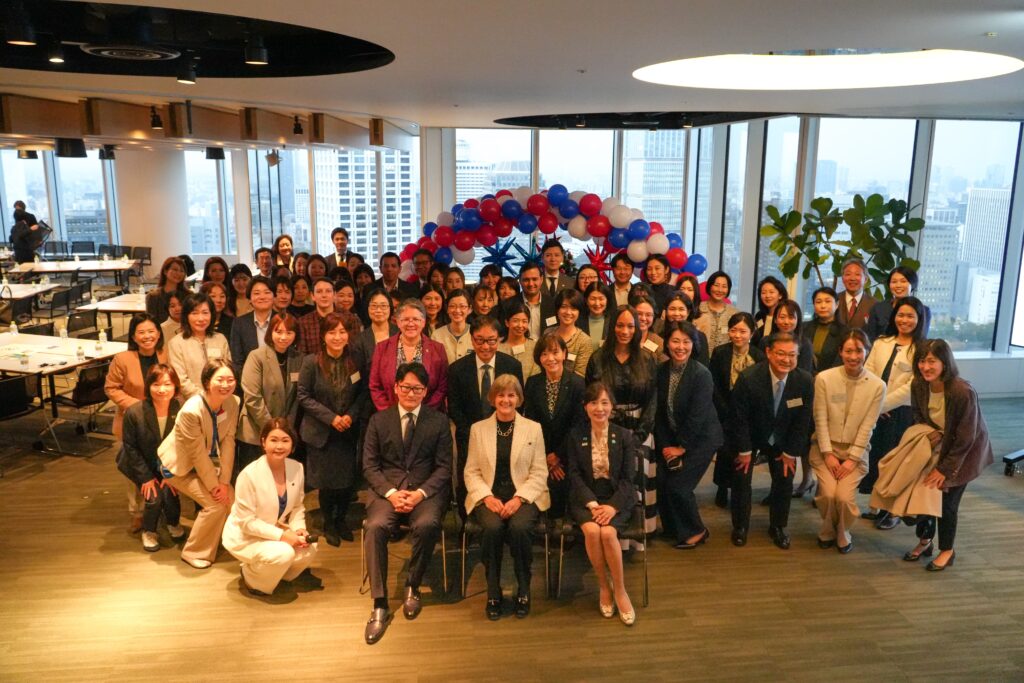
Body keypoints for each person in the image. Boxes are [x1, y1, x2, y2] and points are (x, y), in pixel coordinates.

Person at [362, 362, 452, 644]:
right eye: (406, 387)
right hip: (387, 492)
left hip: (424, 492)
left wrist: (420, 493)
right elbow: (369, 466)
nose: (411, 393)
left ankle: (413, 584)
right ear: (396, 388)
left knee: (427, 524)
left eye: (417, 388)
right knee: (375, 527)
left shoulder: (438, 421)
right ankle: (379, 603)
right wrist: (391, 493)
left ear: (425, 391)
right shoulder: (378, 420)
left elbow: (444, 467)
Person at [900, 339, 993, 571]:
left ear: (945, 362)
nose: (925, 367)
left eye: (932, 361)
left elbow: (966, 437)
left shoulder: (962, 391)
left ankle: (947, 551)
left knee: (946, 502)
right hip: (935, 447)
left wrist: (944, 470)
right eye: (922, 361)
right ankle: (925, 541)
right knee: (920, 497)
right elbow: (918, 414)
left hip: (964, 454)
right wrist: (930, 432)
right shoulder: (919, 384)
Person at [464, 374, 549, 620]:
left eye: (511, 395)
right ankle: (493, 589)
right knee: (491, 529)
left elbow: (539, 471)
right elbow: (471, 471)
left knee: (519, 528)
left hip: (523, 495)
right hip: (489, 495)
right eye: (500, 395)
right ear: (492, 398)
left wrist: (519, 498)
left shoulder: (533, 428)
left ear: (519, 399)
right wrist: (486, 497)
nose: (506, 400)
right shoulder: (478, 429)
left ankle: (524, 587)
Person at [730, 332, 814, 550]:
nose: (786, 359)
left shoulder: (804, 381)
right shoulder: (749, 378)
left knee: (785, 477)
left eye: (792, 355)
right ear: (768, 352)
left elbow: (802, 421)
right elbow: (739, 418)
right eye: (781, 354)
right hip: (751, 436)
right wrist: (745, 451)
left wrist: (791, 452)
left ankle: (778, 526)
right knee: (741, 477)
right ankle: (740, 526)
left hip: (783, 438)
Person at [157, 359, 240, 569]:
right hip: (178, 467)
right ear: (206, 382)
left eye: (230, 379)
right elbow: (197, 455)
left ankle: (226, 541)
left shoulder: (232, 402)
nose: (226, 385)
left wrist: (224, 482)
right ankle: (193, 552)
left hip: (206, 463)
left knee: (231, 498)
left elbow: (228, 441)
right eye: (219, 379)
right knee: (215, 505)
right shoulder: (191, 411)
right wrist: (215, 487)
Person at [566, 382, 638, 625]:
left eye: (605, 402)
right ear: (585, 407)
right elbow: (574, 474)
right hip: (585, 497)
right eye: (594, 402)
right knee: (592, 530)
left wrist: (612, 506)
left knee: (608, 533)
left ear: (612, 406)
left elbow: (628, 479)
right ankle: (604, 586)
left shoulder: (624, 436)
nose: (599, 408)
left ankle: (620, 590)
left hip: (617, 497)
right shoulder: (576, 435)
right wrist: (592, 503)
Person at [223, 418, 320, 596]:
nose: (279, 446)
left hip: (274, 527)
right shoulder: (249, 475)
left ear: (292, 445)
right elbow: (247, 523)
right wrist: (282, 536)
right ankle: (252, 579)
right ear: (263, 442)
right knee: (284, 553)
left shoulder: (297, 468)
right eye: (273, 440)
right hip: (246, 534)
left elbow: (297, 506)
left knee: (309, 548)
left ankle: (277, 575)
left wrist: (299, 529)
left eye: (285, 440)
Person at [809, 330, 886, 554]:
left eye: (859, 351)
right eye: (849, 351)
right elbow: (820, 418)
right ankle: (828, 528)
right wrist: (828, 453)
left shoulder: (878, 386)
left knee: (843, 497)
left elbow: (868, 425)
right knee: (828, 494)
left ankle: (842, 530)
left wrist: (853, 458)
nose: (853, 356)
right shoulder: (824, 378)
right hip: (824, 448)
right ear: (840, 352)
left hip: (856, 451)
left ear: (867, 351)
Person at [585, 306, 658, 538]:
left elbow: (652, 401)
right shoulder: (598, 358)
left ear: (637, 329)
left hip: (640, 428)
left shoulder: (647, 358)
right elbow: (590, 397)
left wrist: (639, 436)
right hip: (605, 426)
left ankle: (635, 536)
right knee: (610, 478)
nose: (625, 331)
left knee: (635, 478)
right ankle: (609, 531)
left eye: (630, 326)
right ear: (612, 326)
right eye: (619, 325)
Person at [299, 312, 367, 546]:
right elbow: (304, 396)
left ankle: (341, 520)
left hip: (348, 431)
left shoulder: (356, 360)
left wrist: (350, 416)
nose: (337, 337)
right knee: (327, 483)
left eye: (342, 332)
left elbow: (363, 393)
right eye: (332, 332)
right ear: (323, 335)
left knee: (347, 482)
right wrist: (331, 418)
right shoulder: (311, 362)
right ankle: (329, 522)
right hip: (322, 432)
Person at [861, 296, 928, 530]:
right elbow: (867, 372)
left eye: (910, 316)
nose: (904, 320)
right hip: (877, 411)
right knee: (877, 458)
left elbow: (911, 386)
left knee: (897, 463)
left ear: (919, 319)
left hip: (901, 413)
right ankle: (878, 506)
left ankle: (893, 511)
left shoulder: (922, 349)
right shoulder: (882, 342)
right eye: (901, 315)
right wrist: (874, 405)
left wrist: (881, 406)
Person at [654, 321, 723, 549]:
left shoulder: (701, 374)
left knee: (679, 486)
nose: (680, 347)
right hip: (673, 438)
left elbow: (697, 416)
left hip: (702, 439)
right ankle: (674, 529)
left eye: (686, 341)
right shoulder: (661, 371)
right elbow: (660, 413)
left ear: (694, 344)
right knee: (662, 481)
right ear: (667, 343)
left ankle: (697, 530)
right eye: (675, 341)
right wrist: (665, 446)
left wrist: (681, 447)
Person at [105, 313, 170, 533]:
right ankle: (137, 512)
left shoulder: (165, 355)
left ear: (159, 333)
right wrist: (137, 407)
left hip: (162, 422)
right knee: (136, 469)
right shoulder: (122, 359)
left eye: (151, 331)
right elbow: (111, 388)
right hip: (133, 422)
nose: (147, 336)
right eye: (141, 332)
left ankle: (160, 506)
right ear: (133, 336)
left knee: (160, 466)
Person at [448, 316, 524, 494]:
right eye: (479, 340)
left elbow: (518, 402)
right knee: (469, 487)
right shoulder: (457, 369)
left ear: (499, 339)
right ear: (471, 339)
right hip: (469, 436)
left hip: (505, 435)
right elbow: (454, 407)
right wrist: (475, 433)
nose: (485, 346)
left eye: (491, 341)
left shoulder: (512, 365)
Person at [116, 364, 185, 551]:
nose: (162, 389)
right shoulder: (134, 412)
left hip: (168, 464)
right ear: (148, 386)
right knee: (154, 497)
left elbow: (183, 445)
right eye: (156, 384)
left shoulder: (181, 409)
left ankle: (172, 523)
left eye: (167, 384)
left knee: (170, 493)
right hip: (140, 464)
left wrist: (170, 474)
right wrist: (146, 478)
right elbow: (130, 448)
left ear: (175, 386)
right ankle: (149, 531)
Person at [523, 333, 586, 517]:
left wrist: (557, 455)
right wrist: (546, 457)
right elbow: (531, 424)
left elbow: (578, 425)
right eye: (544, 354)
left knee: (562, 485)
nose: (550, 358)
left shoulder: (577, 384)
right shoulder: (533, 384)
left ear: (564, 354)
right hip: (540, 455)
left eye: (555, 352)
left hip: (568, 454)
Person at [709, 312, 765, 509]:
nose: (737, 335)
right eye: (733, 330)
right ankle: (722, 487)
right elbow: (713, 384)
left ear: (752, 333)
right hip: (724, 411)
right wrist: (725, 410)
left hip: (749, 416)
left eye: (743, 331)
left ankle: (739, 489)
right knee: (725, 453)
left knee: (744, 452)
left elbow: (760, 389)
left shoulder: (759, 356)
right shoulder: (720, 352)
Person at [238, 313, 303, 477]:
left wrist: (285, 428)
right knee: (256, 481)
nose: (283, 337)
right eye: (278, 331)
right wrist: (271, 429)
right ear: (270, 332)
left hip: (283, 433)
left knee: (279, 480)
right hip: (256, 431)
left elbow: (297, 397)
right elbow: (252, 397)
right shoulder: (257, 356)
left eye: (289, 332)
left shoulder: (298, 358)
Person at [369, 299, 448, 411]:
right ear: (398, 322)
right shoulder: (382, 348)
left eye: (416, 319)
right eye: (405, 319)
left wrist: (423, 414)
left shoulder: (438, 349)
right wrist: (391, 414)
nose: (411, 324)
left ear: (423, 322)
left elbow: (442, 387)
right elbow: (375, 386)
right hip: (391, 415)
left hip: (427, 415)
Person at [167, 292, 232, 401]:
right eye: (195, 313)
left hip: (221, 400)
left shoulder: (220, 339)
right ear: (186, 316)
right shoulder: (176, 343)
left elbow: (228, 370)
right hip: (191, 403)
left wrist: (219, 394)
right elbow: (181, 379)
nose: (201, 318)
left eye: (205, 313)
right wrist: (205, 398)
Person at [864, 266, 932, 341]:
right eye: (894, 282)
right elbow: (871, 339)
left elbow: (921, 339)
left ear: (912, 284)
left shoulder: (924, 310)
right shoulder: (878, 308)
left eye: (903, 281)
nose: (898, 285)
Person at [229, 276, 275, 378]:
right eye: (257, 293)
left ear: (274, 296)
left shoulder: (283, 321)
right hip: (249, 380)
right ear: (249, 298)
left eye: (267, 292)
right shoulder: (239, 323)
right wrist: (248, 382)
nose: (262, 297)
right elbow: (237, 360)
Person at [545, 288, 592, 377]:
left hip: (572, 385)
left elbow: (580, 375)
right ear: (557, 309)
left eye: (573, 308)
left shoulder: (584, 341)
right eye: (564, 307)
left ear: (579, 312)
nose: (568, 312)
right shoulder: (548, 333)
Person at [802, 286, 847, 373]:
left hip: (830, 377)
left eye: (827, 301)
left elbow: (840, 361)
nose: (823, 306)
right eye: (818, 302)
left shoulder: (844, 332)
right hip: (805, 376)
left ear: (837, 304)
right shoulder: (803, 327)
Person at [695, 270, 738, 354]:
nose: (720, 290)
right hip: (700, 357)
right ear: (709, 286)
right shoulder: (698, 309)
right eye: (716, 285)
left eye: (724, 286)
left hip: (724, 358)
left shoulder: (734, 313)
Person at [661, 291, 710, 365]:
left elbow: (703, 365)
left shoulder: (699, 337)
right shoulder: (659, 334)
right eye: (672, 309)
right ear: (666, 311)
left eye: (681, 309)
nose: (677, 313)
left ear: (688, 312)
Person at [498, 299, 539, 379]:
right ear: (507, 322)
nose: (520, 325)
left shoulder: (534, 347)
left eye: (524, 321)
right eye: (515, 321)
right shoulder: (497, 346)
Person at [431, 289, 473, 364]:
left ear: (469, 309)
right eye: (452, 306)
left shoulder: (475, 333)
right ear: (447, 309)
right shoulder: (436, 335)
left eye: (462, 306)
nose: (457, 310)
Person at [296, 277, 337, 355]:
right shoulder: (303, 322)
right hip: (313, 363)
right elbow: (302, 356)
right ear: (312, 296)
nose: (324, 295)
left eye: (328, 291)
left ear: (334, 295)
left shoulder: (349, 319)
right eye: (319, 291)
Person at [836, 257, 878, 330]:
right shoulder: (834, 300)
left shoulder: (875, 304)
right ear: (842, 278)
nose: (852, 278)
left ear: (865, 279)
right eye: (848, 274)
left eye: (857, 274)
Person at [146, 257, 188, 325]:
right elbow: (151, 322)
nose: (178, 273)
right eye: (175, 269)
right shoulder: (153, 296)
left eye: (182, 271)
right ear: (165, 271)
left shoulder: (188, 295)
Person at [519, 262, 553, 341]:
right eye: (526, 280)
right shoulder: (510, 305)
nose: (531, 284)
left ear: (541, 279)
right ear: (520, 281)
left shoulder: (553, 304)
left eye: (534, 279)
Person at [751, 276, 788, 346]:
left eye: (771, 292)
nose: (767, 296)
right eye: (763, 293)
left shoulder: (785, 317)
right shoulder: (759, 315)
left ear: (780, 295)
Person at [631, 294, 666, 363]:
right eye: (639, 314)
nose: (643, 318)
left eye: (648, 315)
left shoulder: (659, 342)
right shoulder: (623, 337)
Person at [580, 282, 613, 351]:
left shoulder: (613, 321)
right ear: (586, 300)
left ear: (607, 300)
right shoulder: (578, 321)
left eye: (601, 299)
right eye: (593, 299)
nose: (597, 303)